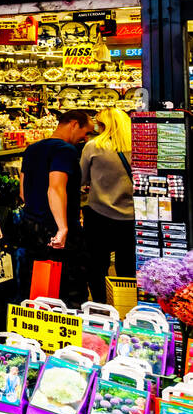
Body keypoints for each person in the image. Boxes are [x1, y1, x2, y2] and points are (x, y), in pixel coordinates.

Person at [18, 109, 94, 306]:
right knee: (69, 287)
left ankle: (35, 325)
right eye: (86, 132)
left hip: (31, 225)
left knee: (36, 284)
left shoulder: (32, 149)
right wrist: (63, 228)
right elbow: (56, 187)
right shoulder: (65, 150)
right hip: (55, 229)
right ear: (74, 124)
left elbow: (23, 193)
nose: (85, 138)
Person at [81, 108, 135, 305]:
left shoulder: (94, 146)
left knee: (97, 265)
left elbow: (82, 178)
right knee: (127, 265)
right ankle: (126, 306)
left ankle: (100, 306)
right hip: (131, 216)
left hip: (99, 214)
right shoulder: (137, 146)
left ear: (104, 125)